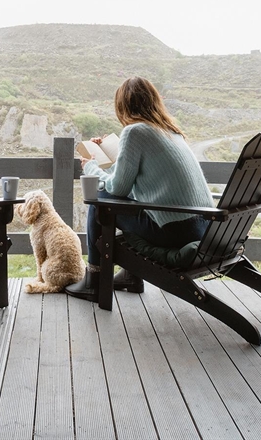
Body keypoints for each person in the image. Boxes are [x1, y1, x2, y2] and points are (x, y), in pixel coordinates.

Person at [65, 76, 214, 302]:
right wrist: (107, 156)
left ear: (122, 106)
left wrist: (91, 165)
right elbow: (140, 183)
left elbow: (118, 188)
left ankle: (94, 279)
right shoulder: (170, 132)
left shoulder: (135, 132)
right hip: (202, 227)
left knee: (101, 200)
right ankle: (131, 276)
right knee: (123, 201)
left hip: (175, 232)